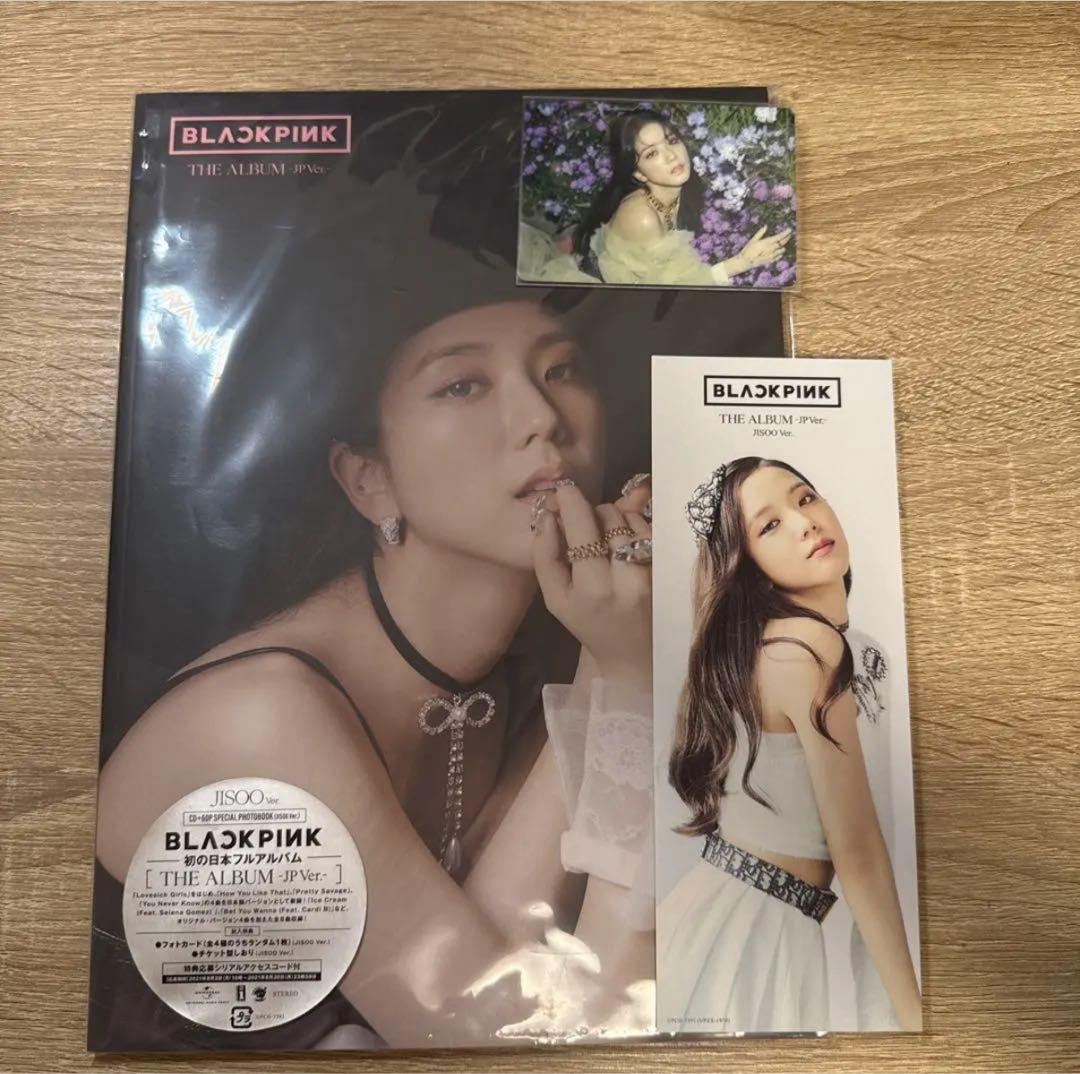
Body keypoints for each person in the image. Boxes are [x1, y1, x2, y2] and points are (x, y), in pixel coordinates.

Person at [93, 285, 658, 1049]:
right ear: (369, 479)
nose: (542, 418)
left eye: (561, 370)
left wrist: (609, 658)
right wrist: (628, 680)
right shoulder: (258, 720)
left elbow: (496, 963)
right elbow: (493, 1045)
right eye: (463, 385)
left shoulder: (536, 663)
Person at [658, 456, 921, 1033]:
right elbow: (858, 851)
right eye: (770, 525)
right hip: (747, 933)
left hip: (766, 922)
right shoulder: (801, 649)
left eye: (805, 498)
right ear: (747, 564)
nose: (805, 523)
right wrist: (914, 1016)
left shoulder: (856, 648)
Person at [518, 109, 791, 287]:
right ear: (638, 172)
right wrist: (742, 262)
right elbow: (672, 290)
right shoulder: (642, 216)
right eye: (651, 153)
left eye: (671, 141)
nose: (671, 156)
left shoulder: (678, 191)